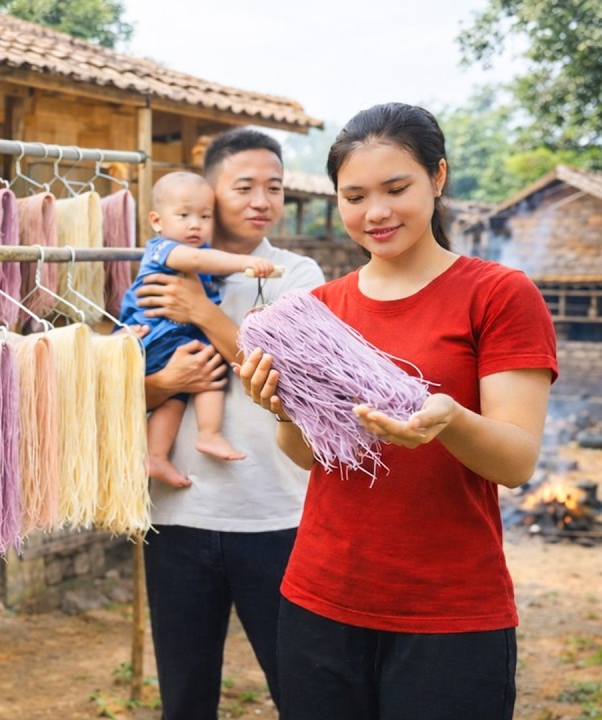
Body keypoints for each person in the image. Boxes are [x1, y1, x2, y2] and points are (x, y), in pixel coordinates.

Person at [238, 102, 557, 720]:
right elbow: (312, 458)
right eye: (354, 197)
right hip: (320, 599)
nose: (375, 213)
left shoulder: (498, 295)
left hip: (450, 612)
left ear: (438, 177)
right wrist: (283, 411)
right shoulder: (318, 311)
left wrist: (451, 421)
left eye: (395, 188)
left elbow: (516, 462)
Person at [134, 128, 325, 719]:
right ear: (210, 193)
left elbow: (297, 380)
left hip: (275, 514)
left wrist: (201, 311)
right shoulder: (162, 266)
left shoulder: (296, 274)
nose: (262, 201)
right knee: (185, 697)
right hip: (178, 516)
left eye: (274, 187)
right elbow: (121, 382)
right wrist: (161, 385)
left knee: (301, 688)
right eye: (244, 187)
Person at [119, 172, 275, 488]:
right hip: (157, 334)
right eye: (184, 215)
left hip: (173, 338)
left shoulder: (196, 251)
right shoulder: (163, 249)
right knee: (211, 365)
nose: (195, 225)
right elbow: (198, 259)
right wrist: (244, 262)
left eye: (205, 217)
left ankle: (156, 455)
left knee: (178, 396)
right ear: (157, 221)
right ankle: (209, 432)